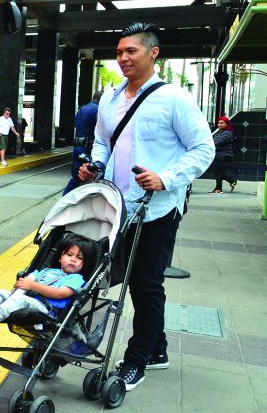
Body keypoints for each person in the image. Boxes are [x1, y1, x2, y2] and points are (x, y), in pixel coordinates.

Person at [77, 22, 214, 391]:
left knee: (146, 285)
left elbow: (204, 149)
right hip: (116, 206)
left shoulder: (175, 98)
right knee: (109, 276)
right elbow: (102, 141)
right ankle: (159, 349)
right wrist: (95, 164)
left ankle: (138, 359)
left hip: (157, 209)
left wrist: (166, 177)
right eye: (119, 52)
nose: (122, 58)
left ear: (153, 53)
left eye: (130, 51)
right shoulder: (109, 98)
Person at [0, 233, 98, 331]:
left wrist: (32, 285)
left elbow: (61, 294)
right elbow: (30, 278)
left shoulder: (76, 279)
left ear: (84, 264)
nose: (73, 259)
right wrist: (24, 283)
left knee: (20, 300)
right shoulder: (47, 271)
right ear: (60, 257)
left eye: (79, 258)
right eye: (69, 254)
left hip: (45, 309)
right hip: (26, 298)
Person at [64, 91, 103, 195]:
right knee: (91, 175)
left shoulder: (81, 109)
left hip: (78, 147)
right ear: (101, 100)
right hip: (88, 147)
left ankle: (65, 199)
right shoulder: (98, 110)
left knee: (77, 176)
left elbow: (76, 124)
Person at [210, 116, 237, 194]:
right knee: (217, 171)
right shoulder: (220, 132)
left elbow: (216, 142)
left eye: (222, 123)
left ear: (226, 124)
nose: (219, 124)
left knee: (218, 171)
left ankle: (218, 189)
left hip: (224, 155)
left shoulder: (228, 133)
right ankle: (232, 181)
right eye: (218, 123)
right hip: (219, 154)